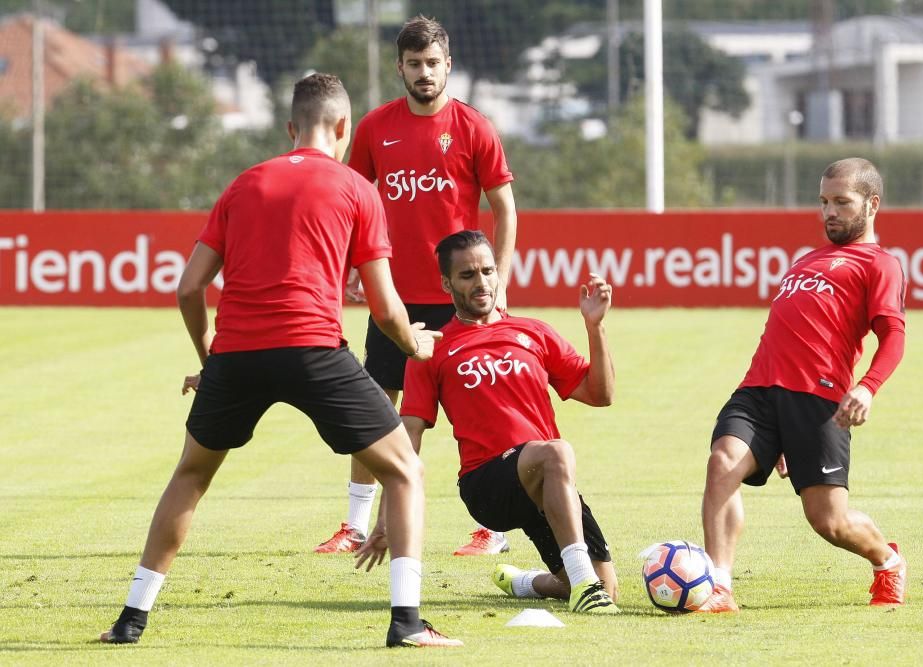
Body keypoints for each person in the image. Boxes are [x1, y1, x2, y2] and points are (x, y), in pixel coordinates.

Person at [99, 73, 461, 648]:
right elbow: (389, 309)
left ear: (290, 129)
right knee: (405, 470)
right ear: (344, 127)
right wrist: (415, 344)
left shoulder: (243, 184)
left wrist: (210, 358)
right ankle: (408, 623)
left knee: (191, 475)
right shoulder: (356, 188)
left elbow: (189, 287)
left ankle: (130, 620)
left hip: (237, 354)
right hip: (313, 350)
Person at [315, 15, 517, 558]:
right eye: (414, 64)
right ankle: (355, 524)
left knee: (483, 408)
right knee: (376, 405)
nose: (424, 73)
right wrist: (354, 266)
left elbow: (505, 208)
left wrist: (496, 282)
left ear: (448, 65)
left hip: (462, 295)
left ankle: (494, 527)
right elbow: (352, 200)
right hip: (395, 299)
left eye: (433, 63)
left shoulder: (475, 127)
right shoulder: (377, 127)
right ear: (399, 67)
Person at [355, 230, 620, 615]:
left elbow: (601, 395)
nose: (481, 283)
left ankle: (525, 581)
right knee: (557, 453)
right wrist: (385, 515)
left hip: (548, 481)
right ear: (447, 283)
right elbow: (408, 434)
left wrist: (595, 327)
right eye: (467, 275)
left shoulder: (534, 332)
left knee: (607, 587)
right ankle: (584, 586)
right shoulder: (433, 348)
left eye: (487, 271)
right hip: (487, 483)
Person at [698, 157, 908, 613]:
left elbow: (894, 336)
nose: (829, 211)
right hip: (758, 390)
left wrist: (868, 387)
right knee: (722, 465)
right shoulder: (806, 260)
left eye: (841, 202)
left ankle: (886, 559)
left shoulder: (880, 264)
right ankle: (719, 586)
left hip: (818, 401)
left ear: (872, 205)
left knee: (828, 521)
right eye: (824, 202)